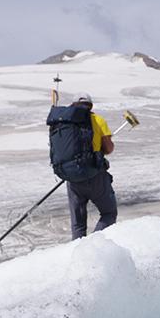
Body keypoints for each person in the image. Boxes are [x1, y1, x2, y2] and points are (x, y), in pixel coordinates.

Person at [64, 93, 116, 239]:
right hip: (95, 175)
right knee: (109, 213)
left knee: (78, 223)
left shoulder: (65, 121)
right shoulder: (98, 120)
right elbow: (108, 149)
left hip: (72, 175)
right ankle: (93, 246)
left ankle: (79, 254)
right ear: (91, 105)